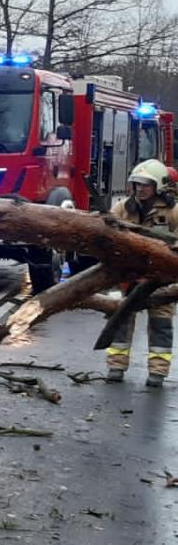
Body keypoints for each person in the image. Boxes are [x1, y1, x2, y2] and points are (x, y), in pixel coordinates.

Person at [106, 159, 175, 387]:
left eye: (146, 184)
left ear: (159, 186)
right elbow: (107, 236)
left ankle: (158, 371)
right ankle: (116, 366)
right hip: (128, 277)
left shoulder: (173, 212)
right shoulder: (122, 209)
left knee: (161, 325)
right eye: (137, 184)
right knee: (120, 319)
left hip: (161, 280)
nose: (140, 188)